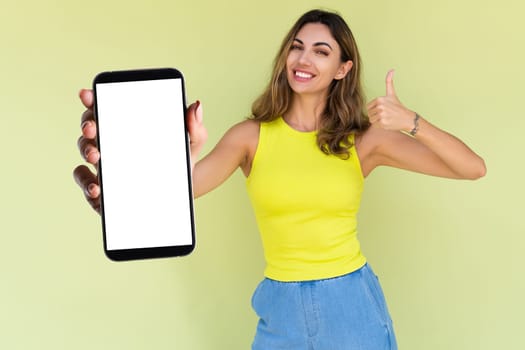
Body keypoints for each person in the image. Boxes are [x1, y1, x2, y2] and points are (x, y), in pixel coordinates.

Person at [74, 9, 486, 350]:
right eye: (297, 47)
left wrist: (410, 122)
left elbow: (472, 168)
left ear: (343, 68)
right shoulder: (249, 136)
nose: (303, 60)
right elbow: (184, 192)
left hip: (351, 304)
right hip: (280, 306)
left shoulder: (363, 141)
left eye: (321, 52)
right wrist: (182, 154)